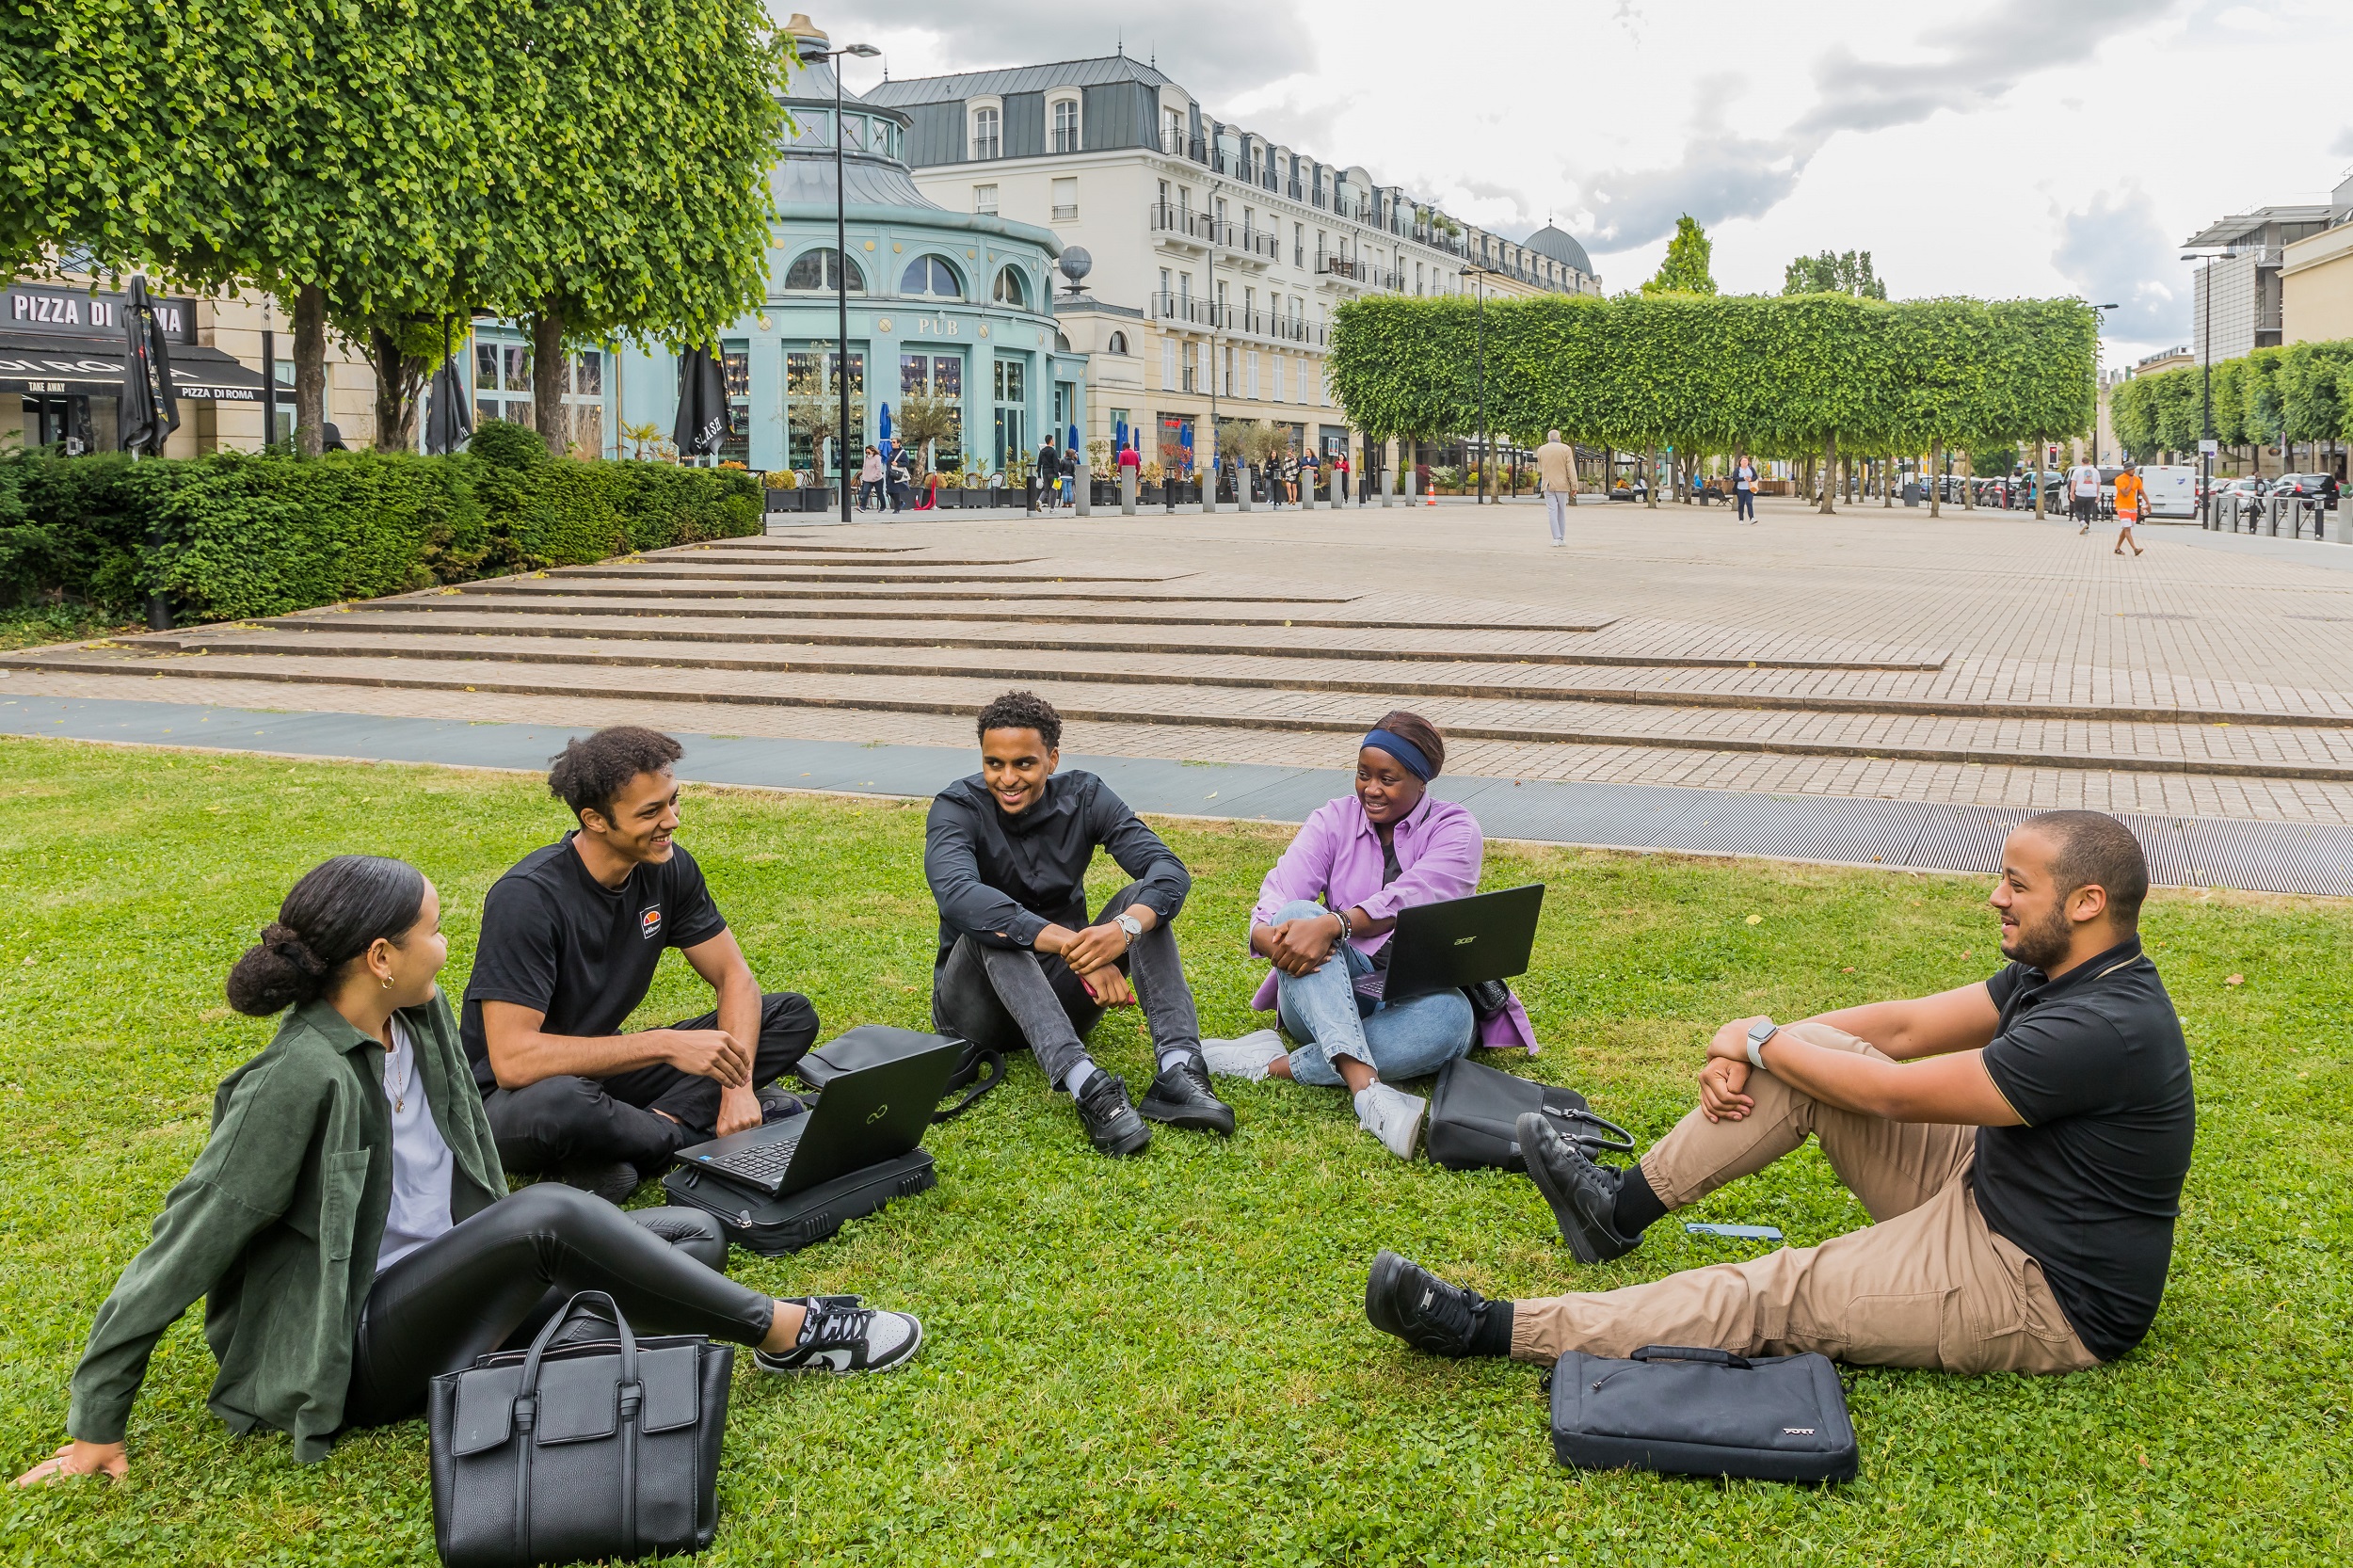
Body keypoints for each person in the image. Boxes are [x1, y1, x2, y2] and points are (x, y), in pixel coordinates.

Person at [12, 856, 922, 1490]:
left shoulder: (421, 1018)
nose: (446, 949)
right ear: (381, 957)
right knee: (551, 1221)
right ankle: (789, 1333)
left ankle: (511, 1348)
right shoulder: (294, 1080)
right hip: (356, 1346)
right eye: (434, 933)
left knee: (693, 1236)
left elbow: (470, 1160)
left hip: (444, 1280)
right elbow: (185, 1244)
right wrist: (96, 1423)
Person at [1366, 810, 2193, 1379]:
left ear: (2087, 903)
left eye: (2018, 884)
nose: (1995, 896)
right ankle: (1613, 1213)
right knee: (1815, 1051)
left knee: (1775, 1293)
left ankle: (1486, 1327)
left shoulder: (2105, 1026)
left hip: (2035, 1284)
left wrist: (1757, 1038)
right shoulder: (2057, 972)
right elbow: (1899, 1031)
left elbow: (1896, 1095)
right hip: (1987, 1186)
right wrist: (1761, 1044)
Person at [463, 726, 819, 1201]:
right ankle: (685, 1140)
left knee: (786, 1016)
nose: (671, 820)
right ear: (594, 820)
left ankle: (642, 1134)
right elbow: (512, 1061)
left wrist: (738, 1088)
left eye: (672, 801)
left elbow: (734, 977)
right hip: (508, 1101)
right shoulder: (527, 899)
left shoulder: (668, 867)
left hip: (602, 1076)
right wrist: (662, 1044)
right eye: (650, 811)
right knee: (567, 1102)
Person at [1205, 713, 1536, 1160]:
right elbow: (1282, 889)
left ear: (1421, 782)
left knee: (1453, 1019)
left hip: (1413, 995)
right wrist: (1268, 935)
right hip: (1323, 990)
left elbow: (1414, 896)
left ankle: (1272, 1064)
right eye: (1364, 774)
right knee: (1299, 911)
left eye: (1388, 778)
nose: (1371, 789)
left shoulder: (1456, 830)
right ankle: (1368, 1090)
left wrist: (1336, 923)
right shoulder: (1333, 818)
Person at [926, 690, 1233, 1156]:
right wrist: (1080, 950)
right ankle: (1087, 1084)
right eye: (994, 764)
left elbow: (1167, 870)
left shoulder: (1086, 795)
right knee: (992, 927)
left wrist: (1122, 931)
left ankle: (1179, 1067)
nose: (1007, 778)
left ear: (1051, 758)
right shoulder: (956, 806)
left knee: (1141, 905)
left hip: (1063, 997)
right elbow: (959, 896)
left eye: (1024, 764)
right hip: (976, 1011)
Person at [1535, 429, 1579, 546]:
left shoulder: (1541, 450)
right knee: (1561, 512)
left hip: (1547, 484)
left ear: (1548, 438)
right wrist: (1574, 485)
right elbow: (1571, 468)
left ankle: (1555, 538)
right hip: (1562, 484)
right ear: (1559, 438)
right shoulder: (1566, 449)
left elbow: (1541, 465)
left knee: (1552, 511)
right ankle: (1561, 538)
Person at [2113, 462, 2146, 556]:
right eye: (2132, 469)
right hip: (2122, 506)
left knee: (2126, 528)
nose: (2134, 470)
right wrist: (2131, 483)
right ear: (2127, 470)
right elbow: (2125, 493)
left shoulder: (2137, 479)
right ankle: (2135, 549)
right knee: (2127, 528)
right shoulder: (2119, 479)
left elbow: (2142, 491)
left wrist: (2148, 503)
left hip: (2132, 506)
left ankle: (2117, 548)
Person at [2069, 456, 2101, 534]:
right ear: (2089, 462)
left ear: (2082, 462)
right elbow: (2098, 483)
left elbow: (2073, 483)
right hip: (2091, 493)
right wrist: (2097, 494)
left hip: (2080, 493)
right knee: (2087, 512)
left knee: (2077, 510)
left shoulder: (2077, 471)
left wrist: (2071, 493)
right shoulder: (2095, 471)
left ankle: (2082, 523)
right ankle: (2086, 530)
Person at [1731, 453, 1759, 524]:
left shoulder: (1751, 469)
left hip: (1750, 488)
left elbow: (1755, 476)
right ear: (1740, 462)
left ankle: (1752, 518)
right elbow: (1734, 478)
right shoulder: (1738, 470)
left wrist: (1751, 479)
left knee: (1749, 502)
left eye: (1746, 461)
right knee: (1741, 504)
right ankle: (1741, 519)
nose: (1745, 462)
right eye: (1743, 461)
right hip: (1740, 489)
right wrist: (1743, 478)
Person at [856, 445, 885, 512]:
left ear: (873, 451)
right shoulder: (866, 458)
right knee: (865, 493)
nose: (867, 454)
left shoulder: (877, 458)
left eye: (868, 452)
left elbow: (878, 469)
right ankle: (863, 507)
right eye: (866, 452)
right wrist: (864, 475)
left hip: (877, 479)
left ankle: (883, 507)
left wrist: (874, 476)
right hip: (867, 478)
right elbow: (864, 467)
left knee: (879, 493)